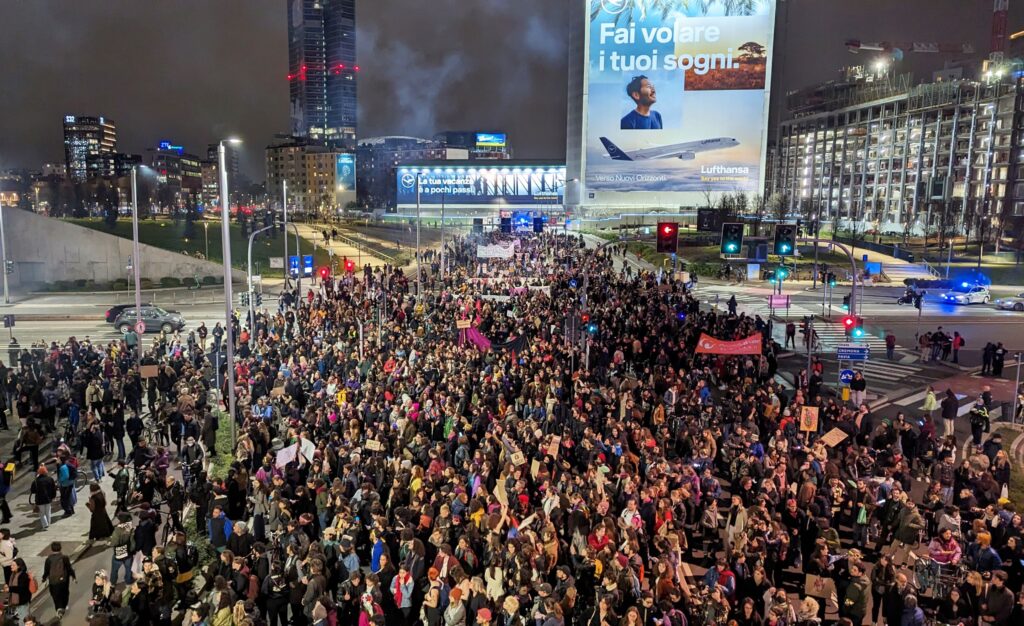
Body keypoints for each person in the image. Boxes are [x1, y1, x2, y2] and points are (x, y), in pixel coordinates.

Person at [42, 541, 76, 619]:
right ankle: (63, 606)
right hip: (64, 580)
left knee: (55, 595)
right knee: (65, 593)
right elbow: (69, 568)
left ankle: (58, 608)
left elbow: (46, 570)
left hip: (53, 581)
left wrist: (44, 578)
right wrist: (73, 576)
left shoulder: (48, 559)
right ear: (60, 548)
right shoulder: (65, 558)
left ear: (52, 549)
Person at [30, 464, 57, 530]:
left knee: (42, 513)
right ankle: (48, 523)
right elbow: (54, 489)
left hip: (40, 499)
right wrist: (53, 496)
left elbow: (33, 491)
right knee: (48, 512)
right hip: (48, 498)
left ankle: (45, 525)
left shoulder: (36, 481)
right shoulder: (50, 479)